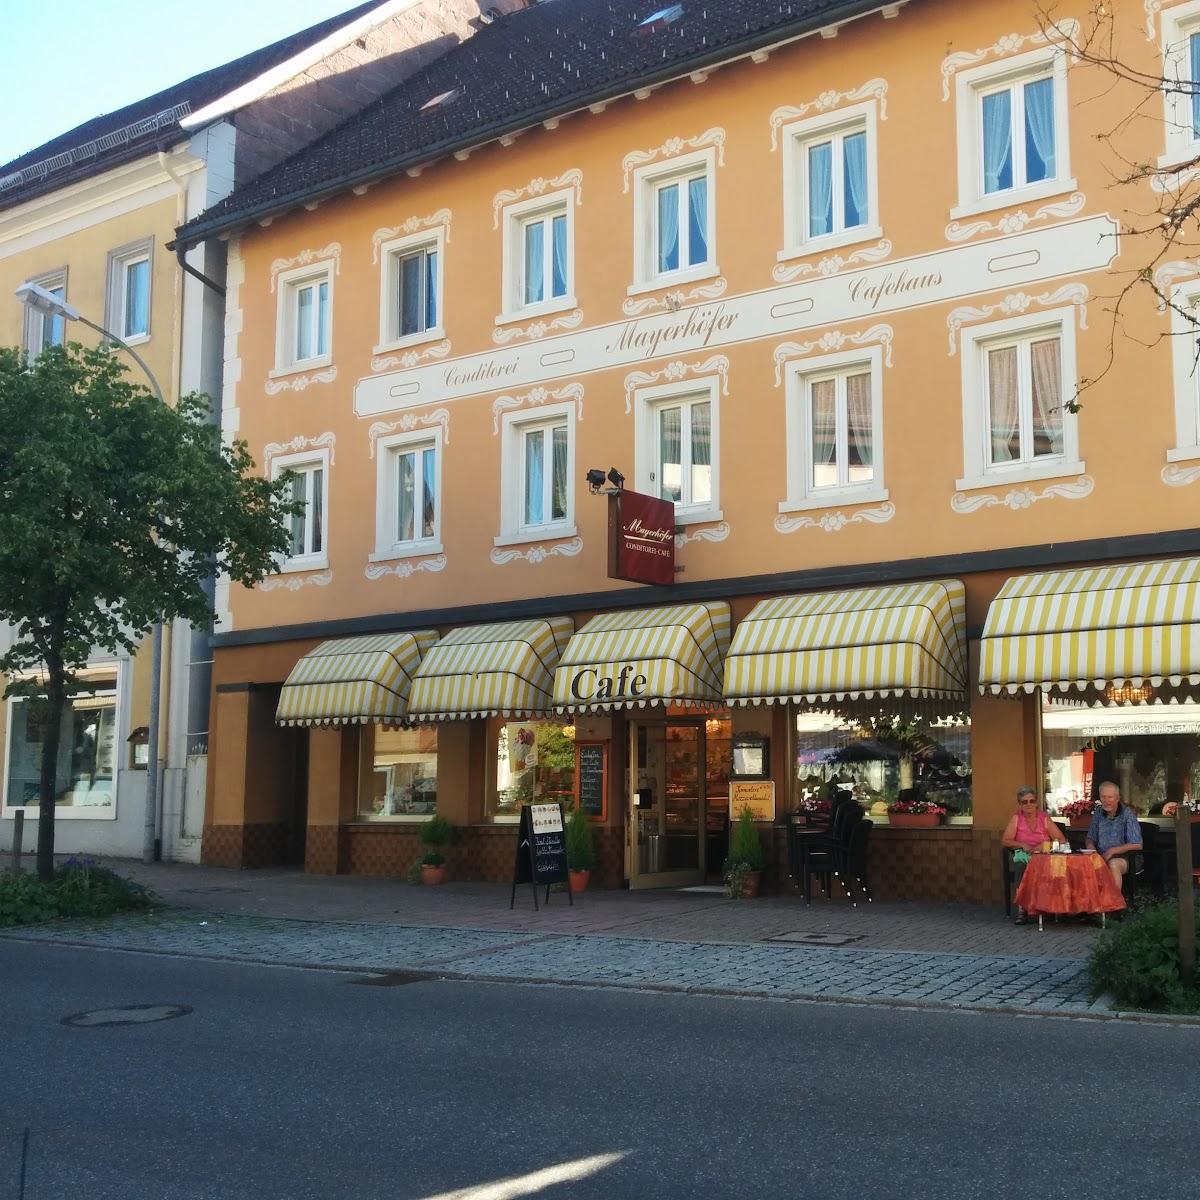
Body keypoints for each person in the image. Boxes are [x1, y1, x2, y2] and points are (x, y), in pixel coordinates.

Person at [1001, 786, 1066, 925]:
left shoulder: (1044, 818)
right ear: (1020, 804)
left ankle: (1049, 908)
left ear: (1037, 802)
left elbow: (1061, 840)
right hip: (1025, 855)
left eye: (1032, 801)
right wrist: (1022, 845)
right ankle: (1021, 910)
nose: (1029, 805)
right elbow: (1005, 840)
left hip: (1043, 855)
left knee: (1055, 867)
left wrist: (1044, 846)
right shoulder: (1016, 818)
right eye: (1025, 802)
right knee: (1020, 867)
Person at [1086, 781, 1143, 890]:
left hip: (1129, 858)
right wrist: (1092, 851)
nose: (1106, 801)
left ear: (1117, 798)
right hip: (1101, 855)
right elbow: (1090, 838)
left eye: (1110, 797)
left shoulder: (1127, 814)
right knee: (1083, 864)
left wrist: (1111, 851)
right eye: (1103, 797)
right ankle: (1092, 904)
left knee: (1113, 864)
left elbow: (1137, 844)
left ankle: (1115, 904)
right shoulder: (1098, 812)